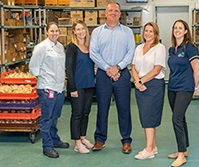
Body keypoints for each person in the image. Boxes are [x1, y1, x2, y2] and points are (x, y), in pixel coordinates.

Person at [89, 2, 135, 154]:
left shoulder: (127, 32)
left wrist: (118, 67)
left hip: (122, 74)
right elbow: (93, 53)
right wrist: (108, 68)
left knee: (124, 109)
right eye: (110, 10)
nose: (113, 13)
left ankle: (126, 140)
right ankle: (100, 139)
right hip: (103, 74)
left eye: (116, 10)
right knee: (102, 108)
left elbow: (131, 52)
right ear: (105, 13)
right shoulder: (97, 32)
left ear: (120, 13)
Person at [29, 22, 69, 158]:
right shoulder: (41, 47)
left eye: (56, 31)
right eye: (52, 31)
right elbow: (33, 67)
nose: (54, 33)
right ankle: (47, 146)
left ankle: (55, 139)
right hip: (47, 88)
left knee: (55, 116)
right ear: (47, 32)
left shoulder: (60, 47)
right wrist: (45, 79)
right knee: (47, 118)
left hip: (59, 88)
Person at [167, 19, 199, 167]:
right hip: (172, 88)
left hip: (185, 88)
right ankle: (184, 148)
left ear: (186, 31)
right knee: (181, 118)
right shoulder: (172, 49)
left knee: (176, 119)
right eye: (175, 28)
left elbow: (197, 70)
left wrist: (194, 88)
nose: (177, 30)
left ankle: (181, 155)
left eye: (180, 28)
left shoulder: (190, 48)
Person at [131, 22, 166, 160]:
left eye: (151, 31)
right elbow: (133, 66)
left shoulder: (160, 47)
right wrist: (137, 81)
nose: (148, 33)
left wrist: (141, 81)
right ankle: (154, 146)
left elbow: (157, 69)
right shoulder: (139, 48)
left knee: (149, 117)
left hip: (153, 85)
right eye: (146, 30)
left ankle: (148, 149)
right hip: (140, 85)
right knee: (145, 115)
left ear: (156, 33)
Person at [65, 20, 95, 154]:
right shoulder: (72, 47)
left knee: (86, 113)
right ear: (74, 32)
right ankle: (77, 142)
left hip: (89, 85)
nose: (81, 32)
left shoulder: (89, 46)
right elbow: (69, 69)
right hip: (78, 86)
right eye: (78, 29)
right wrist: (72, 88)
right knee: (77, 114)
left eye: (82, 29)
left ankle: (83, 137)